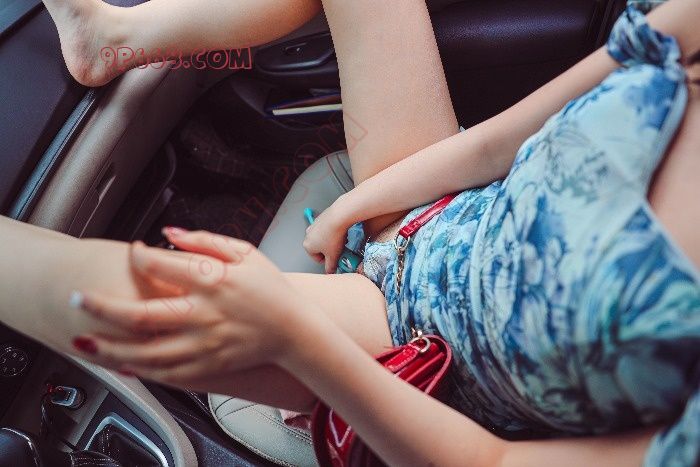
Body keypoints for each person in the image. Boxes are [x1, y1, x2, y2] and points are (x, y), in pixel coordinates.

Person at [2, 0, 697, 465]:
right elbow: (506, 141)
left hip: (416, 344)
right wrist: (367, 202)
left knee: (151, 299)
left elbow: (495, 461)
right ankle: (112, 40)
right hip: (447, 211)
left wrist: (295, 340)